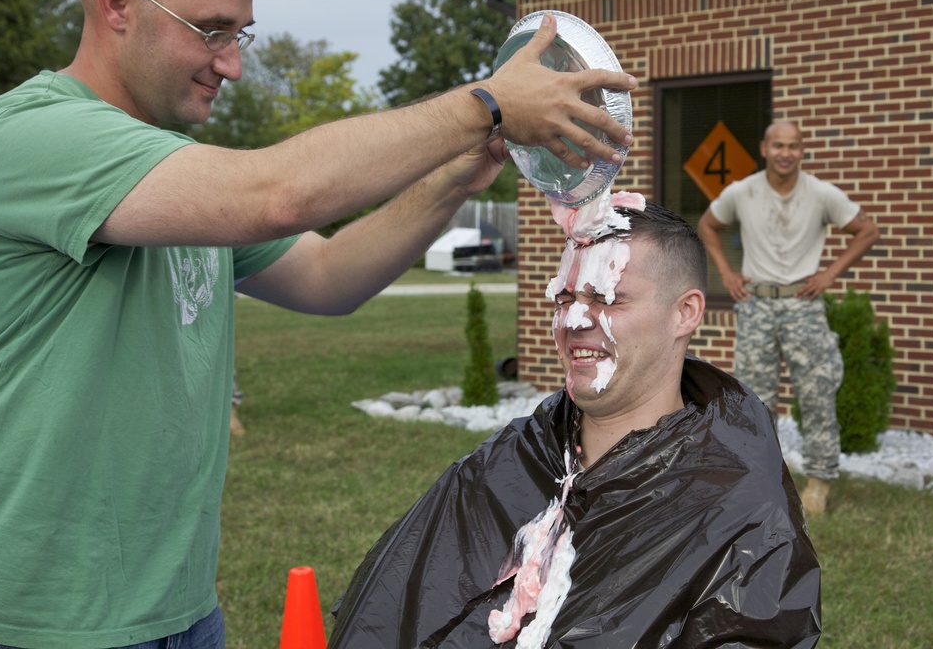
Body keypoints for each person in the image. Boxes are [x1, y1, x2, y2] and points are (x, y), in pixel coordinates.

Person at [0, 0, 637, 648]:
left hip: (181, 611)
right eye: (213, 29)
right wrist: (486, 105)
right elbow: (276, 194)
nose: (231, 62)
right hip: (41, 626)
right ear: (117, 5)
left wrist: (459, 173)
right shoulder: (34, 135)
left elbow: (330, 274)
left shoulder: (169, 178)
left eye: (241, 35)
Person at [329, 204, 821, 648]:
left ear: (685, 313)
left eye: (608, 298)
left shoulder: (737, 509)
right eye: (565, 298)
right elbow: (392, 609)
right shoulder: (515, 458)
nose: (574, 320)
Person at [697, 120, 880, 516]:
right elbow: (708, 225)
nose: (785, 153)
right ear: (764, 148)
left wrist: (830, 274)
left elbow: (865, 230)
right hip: (757, 304)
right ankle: (764, 476)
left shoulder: (822, 194)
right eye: (778, 145)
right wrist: (727, 273)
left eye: (793, 146)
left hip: (802, 304)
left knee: (816, 392)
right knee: (755, 399)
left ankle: (819, 481)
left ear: (801, 151)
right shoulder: (742, 192)